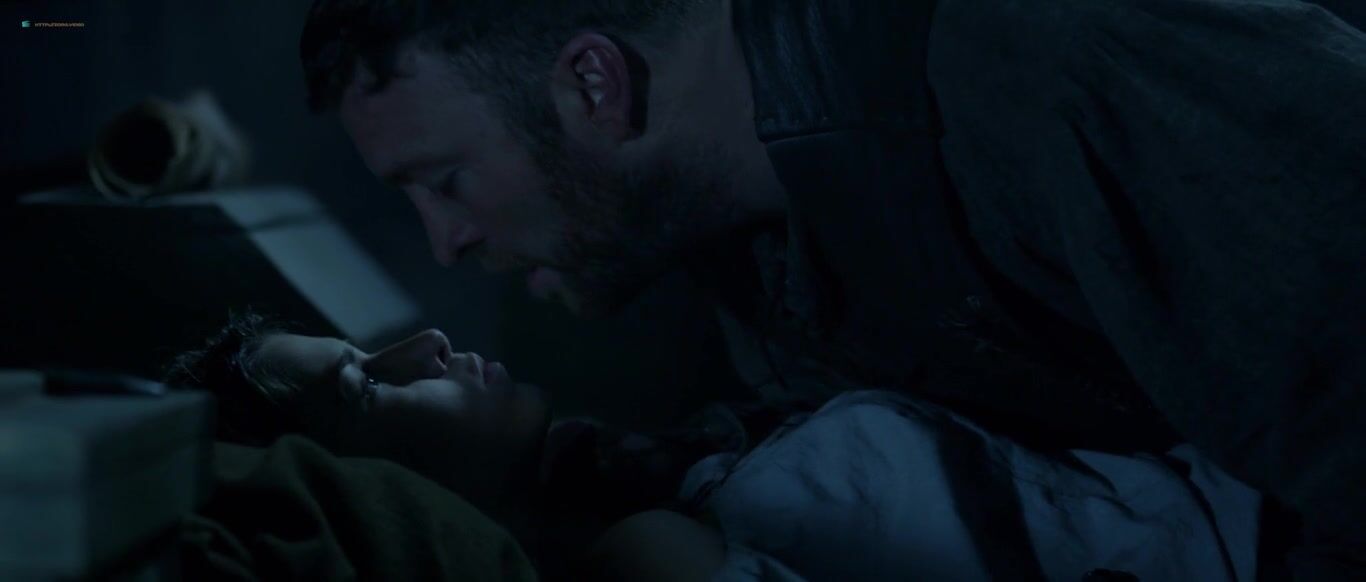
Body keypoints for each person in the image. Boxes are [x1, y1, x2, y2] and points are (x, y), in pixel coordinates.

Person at [297, 1, 1366, 577]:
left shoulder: (1065, 61)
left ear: (592, 82)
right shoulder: (738, 237)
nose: (446, 243)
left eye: (445, 180)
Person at [168, 312, 1268, 580]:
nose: (427, 344)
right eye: (366, 382)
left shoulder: (660, 484)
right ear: (363, 486)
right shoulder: (647, 559)